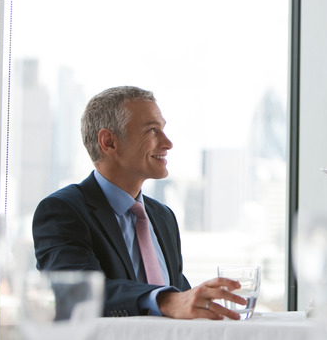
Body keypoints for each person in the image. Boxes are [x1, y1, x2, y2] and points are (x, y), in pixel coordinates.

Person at [32, 86, 247, 319]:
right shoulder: (62, 211)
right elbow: (77, 293)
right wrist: (165, 299)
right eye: (152, 131)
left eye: (163, 129)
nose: (168, 143)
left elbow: (180, 302)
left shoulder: (163, 216)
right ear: (109, 142)